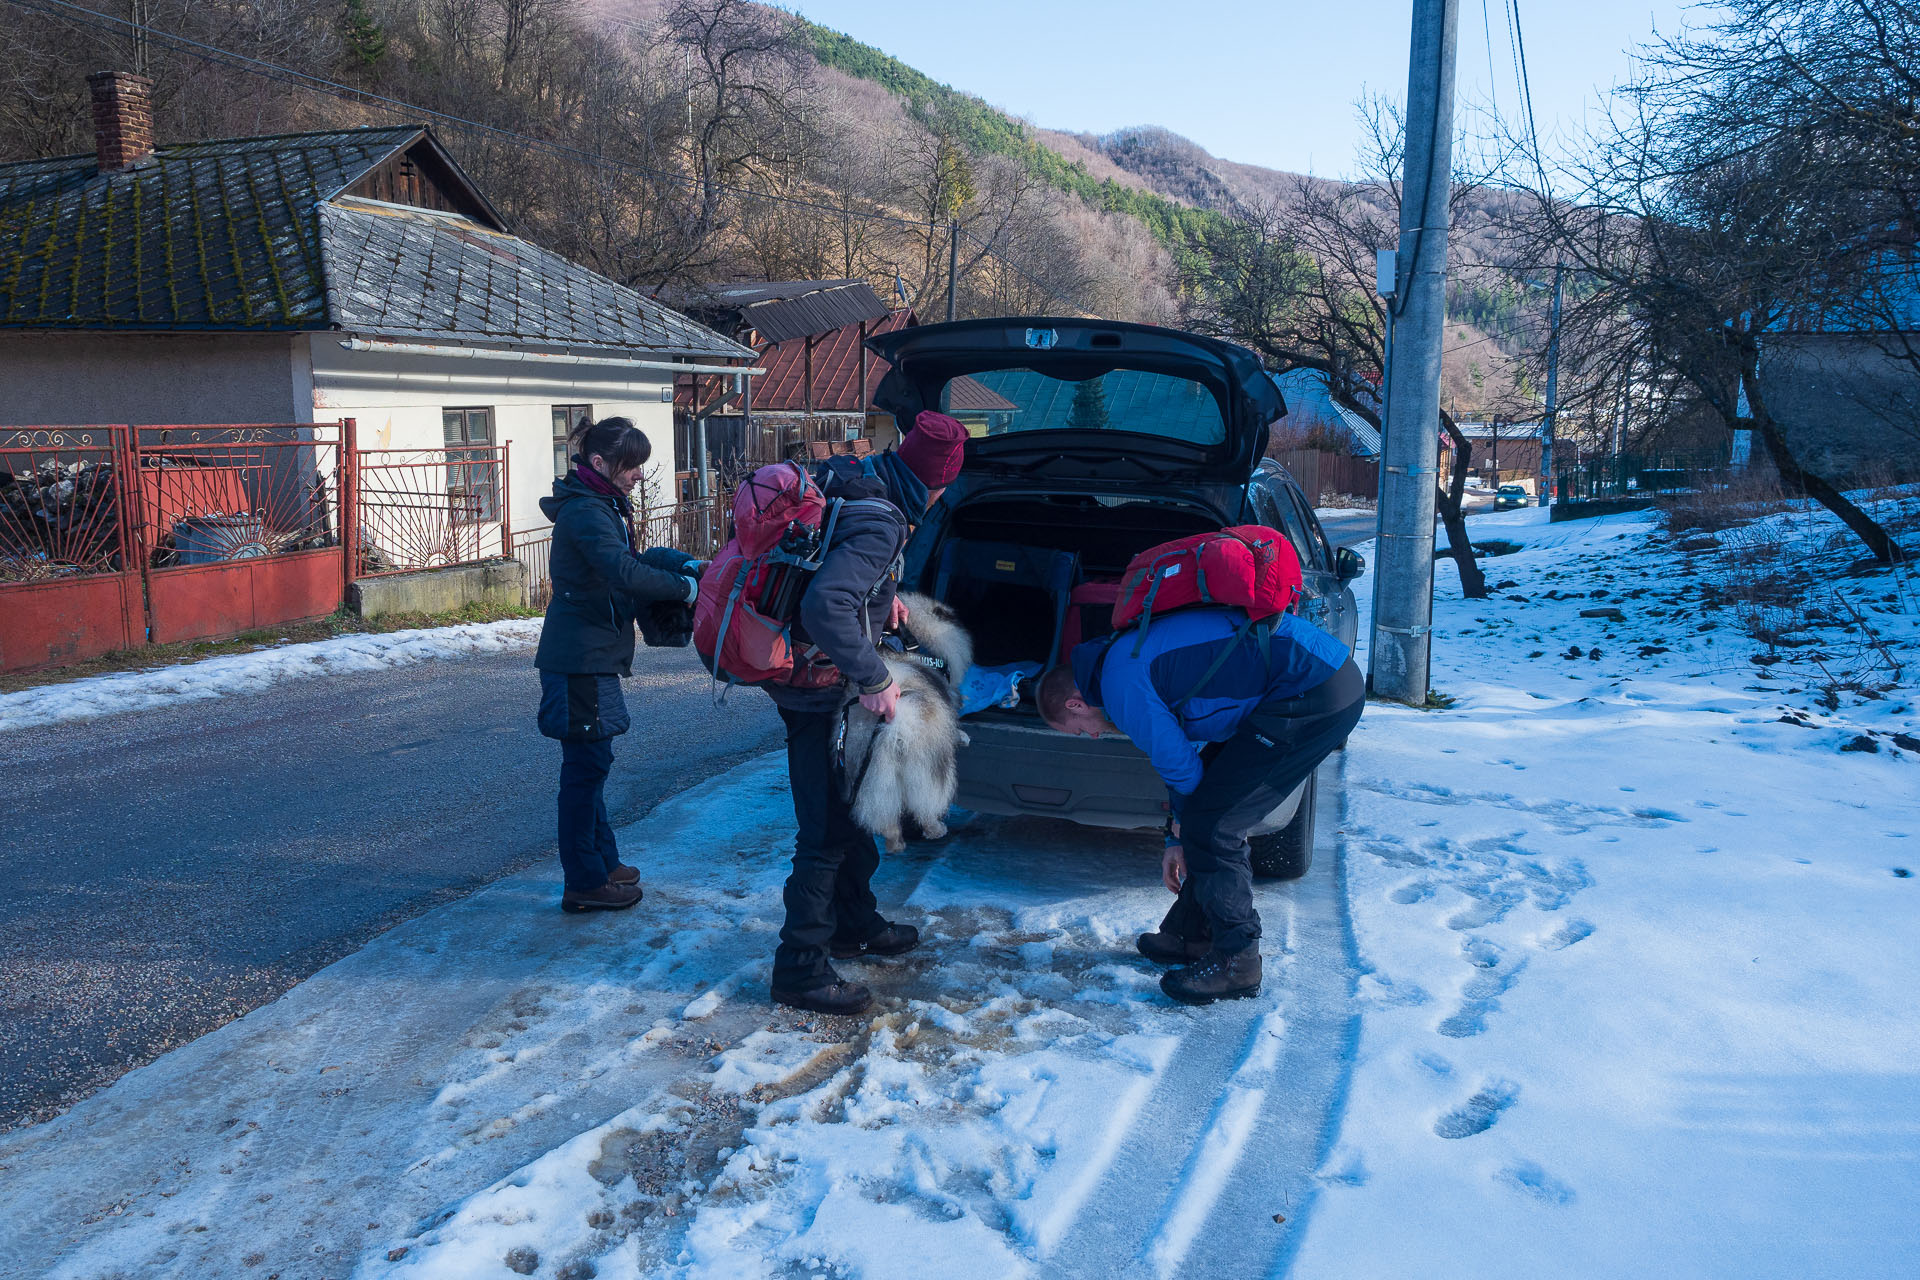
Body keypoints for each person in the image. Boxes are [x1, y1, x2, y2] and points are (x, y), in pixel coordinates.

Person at [1036, 605, 1364, 1004]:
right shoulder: (1118, 662)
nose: (1088, 736)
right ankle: (1192, 935)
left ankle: (1237, 962)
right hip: (1307, 679)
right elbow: (1185, 754)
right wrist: (1175, 836)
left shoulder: (1120, 686)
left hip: (1312, 689)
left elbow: (1178, 764)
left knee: (1216, 824)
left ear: (1074, 705)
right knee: (1203, 812)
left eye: (1078, 730)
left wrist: (1185, 827)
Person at [763, 410, 969, 1016]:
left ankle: (854, 922)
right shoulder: (884, 518)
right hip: (820, 690)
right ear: (941, 485)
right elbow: (828, 604)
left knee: (851, 813)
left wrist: (884, 607)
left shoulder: (859, 479)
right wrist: (875, 676)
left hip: (809, 678)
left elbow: (836, 578)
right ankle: (799, 968)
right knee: (826, 829)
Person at [535, 416, 703, 914]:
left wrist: (678, 567)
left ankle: (602, 862)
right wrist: (685, 589)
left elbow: (630, 562)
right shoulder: (586, 512)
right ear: (600, 463)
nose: (636, 475)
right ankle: (584, 882)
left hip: (590, 656)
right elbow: (621, 570)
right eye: (630, 466)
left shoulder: (600, 504)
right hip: (579, 659)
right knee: (585, 771)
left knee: (593, 764)